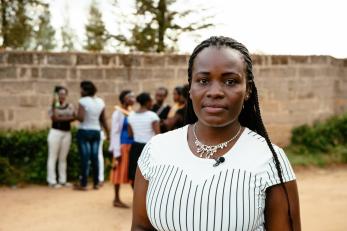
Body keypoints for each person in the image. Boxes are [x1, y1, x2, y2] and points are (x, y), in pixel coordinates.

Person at [131, 36, 301, 231]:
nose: (215, 92)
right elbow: (140, 226)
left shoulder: (269, 160)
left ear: (248, 90)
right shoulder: (156, 150)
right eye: (203, 80)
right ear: (190, 88)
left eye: (230, 81)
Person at [74, 80, 109, 191]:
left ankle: (83, 183)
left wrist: (73, 114)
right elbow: (103, 119)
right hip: (96, 132)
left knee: (85, 157)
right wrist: (108, 133)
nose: (80, 91)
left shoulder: (83, 101)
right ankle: (96, 183)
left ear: (85, 90)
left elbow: (81, 118)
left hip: (84, 131)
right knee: (95, 157)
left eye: (81, 89)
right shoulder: (100, 101)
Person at [109, 90, 135, 208]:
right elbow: (114, 133)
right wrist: (116, 151)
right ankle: (116, 199)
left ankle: (137, 198)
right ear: (124, 99)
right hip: (122, 146)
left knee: (132, 173)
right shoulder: (117, 114)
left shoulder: (131, 112)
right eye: (130, 97)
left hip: (131, 146)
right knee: (118, 172)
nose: (133, 99)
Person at [127, 92, 160, 188]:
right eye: (151, 101)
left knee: (135, 173)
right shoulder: (152, 116)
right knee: (151, 173)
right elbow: (158, 135)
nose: (152, 103)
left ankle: (137, 197)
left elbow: (130, 134)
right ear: (147, 102)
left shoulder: (131, 116)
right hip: (150, 148)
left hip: (135, 147)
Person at [47, 86, 75, 188]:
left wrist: (61, 118)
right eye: (60, 94)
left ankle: (63, 180)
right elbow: (54, 118)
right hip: (55, 132)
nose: (62, 96)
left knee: (63, 158)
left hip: (66, 133)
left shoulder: (70, 106)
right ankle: (52, 180)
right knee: (53, 156)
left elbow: (74, 117)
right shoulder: (53, 106)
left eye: (64, 94)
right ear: (57, 95)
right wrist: (66, 118)